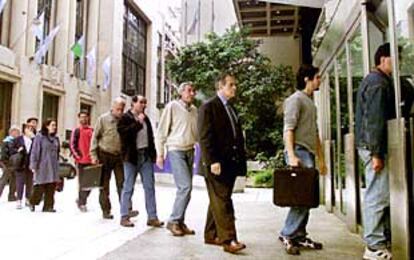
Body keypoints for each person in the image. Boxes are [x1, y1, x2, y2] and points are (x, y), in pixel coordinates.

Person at [279, 64, 326, 255]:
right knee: (301, 198)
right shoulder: (295, 100)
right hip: (298, 152)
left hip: (308, 153)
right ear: (307, 79)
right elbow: (288, 129)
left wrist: (321, 159)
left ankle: (299, 234)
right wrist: (291, 155)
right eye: (317, 77)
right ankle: (288, 233)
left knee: (307, 197)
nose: (319, 80)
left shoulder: (309, 102)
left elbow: (314, 134)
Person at [198, 72, 247, 254]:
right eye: (231, 85)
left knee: (218, 200)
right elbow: (205, 137)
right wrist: (212, 161)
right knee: (223, 200)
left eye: (235, 85)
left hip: (230, 163)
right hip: (216, 164)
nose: (234, 88)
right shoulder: (208, 107)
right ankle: (228, 239)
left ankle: (211, 234)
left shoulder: (231, 108)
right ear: (220, 87)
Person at [355, 43, 394, 260]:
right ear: (383, 60)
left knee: (378, 193)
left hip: (369, 146)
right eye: (394, 58)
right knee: (377, 195)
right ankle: (373, 245)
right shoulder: (378, 83)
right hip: (373, 147)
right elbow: (375, 120)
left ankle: (377, 240)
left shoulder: (375, 80)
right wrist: (377, 153)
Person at [155, 82, 198, 236]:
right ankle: (173, 220)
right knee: (185, 187)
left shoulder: (194, 110)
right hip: (176, 150)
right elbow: (161, 132)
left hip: (190, 150)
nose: (192, 93)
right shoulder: (172, 106)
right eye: (189, 90)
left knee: (187, 189)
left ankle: (180, 221)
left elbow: (196, 132)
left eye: (193, 91)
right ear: (181, 92)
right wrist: (160, 154)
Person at [117, 95, 163, 228]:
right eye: (141, 102)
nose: (144, 105)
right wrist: (138, 123)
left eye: (145, 102)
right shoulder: (125, 118)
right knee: (128, 187)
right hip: (131, 157)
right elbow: (124, 135)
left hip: (145, 156)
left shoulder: (146, 118)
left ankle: (152, 216)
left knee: (149, 186)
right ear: (133, 103)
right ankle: (124, 215)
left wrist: (154, 155)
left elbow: (150, 138)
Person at [90, 97, 138, 219]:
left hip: (120, 156)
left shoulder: (125, 120)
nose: (120, 112)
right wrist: (93, 155)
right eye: (118, 109)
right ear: (112, 107)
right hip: (104, 154)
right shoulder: (103, 119)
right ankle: (106, 210)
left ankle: (126, 209)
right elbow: (95, 138)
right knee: (104, 185)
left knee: (123, 183)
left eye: (122, 109)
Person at [29, 119, 60, 212]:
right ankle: (33, 202)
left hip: (53, 165)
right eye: (52, 125)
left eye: (55, 125)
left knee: (51, 186)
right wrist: (33, 165)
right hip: (42, 165)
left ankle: (48, 206)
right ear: (46, 126)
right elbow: (35, 151)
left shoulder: (55, 138)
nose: (54, 127)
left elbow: (58, 152)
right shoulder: (40, 137)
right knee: (40, 186)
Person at [70, 110, 93, 212]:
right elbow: (72, 144)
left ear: (88, 118)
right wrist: (77, 156)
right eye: (81, 117)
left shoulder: (92, 130)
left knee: (92, 183)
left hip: (91, 160)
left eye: (85, 117)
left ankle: (81, 199)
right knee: (82, 183)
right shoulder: (76, 131)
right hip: (81, 161)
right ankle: (82, 203)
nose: (83, 119)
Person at [12, 124, 35, 209]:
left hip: (30, 163)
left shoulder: (34, 139)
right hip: (20, 163)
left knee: (30, 182)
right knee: (19, 182)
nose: (30, 130)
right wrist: (18, 150)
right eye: (28, 128)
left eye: (31, 128)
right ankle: (19, 200)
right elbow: (12, 149)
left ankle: (28, 199)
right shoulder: (18, 139)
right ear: (24, 130)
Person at [0, 125, 20, 201]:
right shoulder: (7, 141)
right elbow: (4, 154)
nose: (18, 134)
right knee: (4, 179)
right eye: (16, 132)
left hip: (14, 163)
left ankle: (11, 196)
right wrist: (6, 162)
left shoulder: (16, 141)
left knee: (13, 179)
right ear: (12, 132)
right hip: (7, 163)